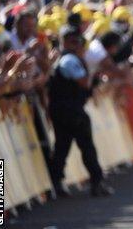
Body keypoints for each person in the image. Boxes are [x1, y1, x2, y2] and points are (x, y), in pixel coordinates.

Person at [48, 25, 114, 197]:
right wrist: (92, 72)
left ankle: (57, 184)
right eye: (72, 41)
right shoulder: (69, 60)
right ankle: (96, 182)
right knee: (85, 147)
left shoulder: (66, 59)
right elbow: (84, 82)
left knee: (62, 148)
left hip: (65, 110)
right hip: (71, 111)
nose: (76, 45)